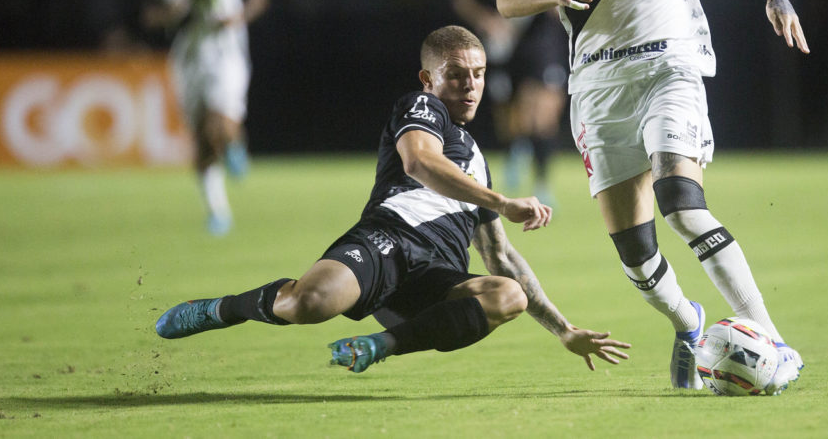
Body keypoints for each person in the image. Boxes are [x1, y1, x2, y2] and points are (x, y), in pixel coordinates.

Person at [495, 0, 810, 394]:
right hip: (598, 84)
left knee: (683, 205)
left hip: (671, 65)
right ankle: (688, 322)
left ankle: (772, 341)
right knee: (637, 255)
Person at [155, 25, 630, 374]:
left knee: (509, 294)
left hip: (434, 277)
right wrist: (503, 201)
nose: (470, 85)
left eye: (480, 75)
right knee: (309, 303)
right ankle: (220, 309)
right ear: (429, 78)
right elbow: (420, 163)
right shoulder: (421, 108)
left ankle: (379, 346)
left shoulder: (479, 160)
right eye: (457, 74)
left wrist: (564, 328)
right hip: (387, 240)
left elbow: (501, 255)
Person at [141, 0, 270, 236]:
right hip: (187, 57)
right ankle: (217, 210)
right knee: (200, 138)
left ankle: (233, 142)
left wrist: (240, 16)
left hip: (226, 53)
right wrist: (168, 14)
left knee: (219, 124)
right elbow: (148, 14)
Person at [451, 0, 568, 205]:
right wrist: (486, 20)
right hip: (503, 43)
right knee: (510, 119)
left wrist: (561, 3)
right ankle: (517, 150)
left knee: (542, 114)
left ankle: (542, 185)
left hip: (541, 39)